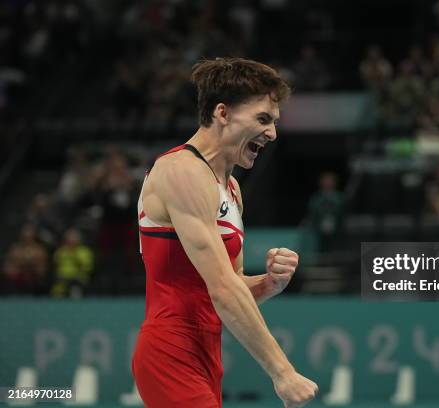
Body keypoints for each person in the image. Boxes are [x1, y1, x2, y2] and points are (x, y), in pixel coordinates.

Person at [131, 57, 318, 408]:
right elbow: (222, 289)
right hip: (170, 349)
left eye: (274, 122)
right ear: (222, 113)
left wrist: (267, 283)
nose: (273, 133)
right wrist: (283, 372)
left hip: (207, 353)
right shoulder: (180, 172)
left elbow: (229, 284)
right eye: (263, 119)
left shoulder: (231, 188)